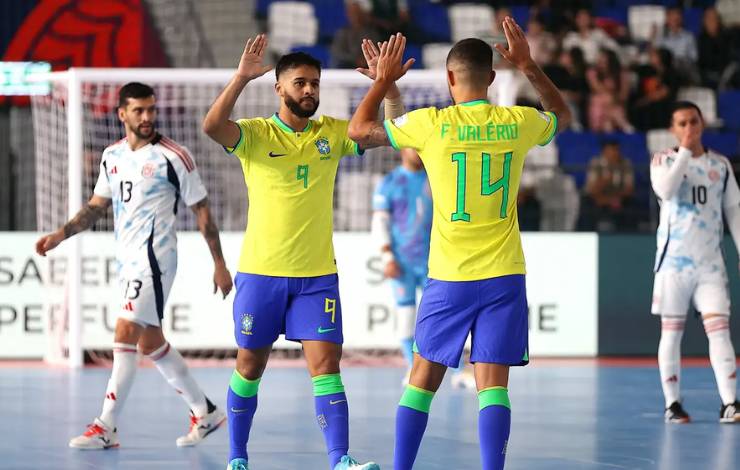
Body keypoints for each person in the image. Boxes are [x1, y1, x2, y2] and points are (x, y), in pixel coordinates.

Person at [349, 17, 571, 470]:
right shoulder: (517, 122)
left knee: (420, 383)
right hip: (503, 276)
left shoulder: (434, 125)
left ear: (449, 78)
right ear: (492, 78)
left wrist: (384, 83)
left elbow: (359, 131)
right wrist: (528, 66)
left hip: (449, 277)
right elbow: (562, 116)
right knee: (493, 388)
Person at [202, 35, 404, 470]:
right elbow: (212, 126)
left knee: (327, 367)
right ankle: (237, 456)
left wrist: (388, 86)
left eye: (314, 83)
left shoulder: (334, 131)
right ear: (279, 88)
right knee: (250, 365)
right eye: (300, 83)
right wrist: (240, 78)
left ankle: (340, 460)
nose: (309, 90)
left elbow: (395, 134)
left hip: (317, 278)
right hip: (261, 274)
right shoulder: (255, 134)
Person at [35, 82, 232, 450]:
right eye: (139, 111)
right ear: (122, 114)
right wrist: (60, 235)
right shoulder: (112, 156)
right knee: (150, 343)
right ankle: (204, 411)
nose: (147, 117)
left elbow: (202, 209)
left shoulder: (174, 156)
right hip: (127, 260)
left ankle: (106, 426)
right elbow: (96, 206)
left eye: (151, 110)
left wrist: (219, 264)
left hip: (155, 260)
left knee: (124, 332)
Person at [650, 101, 740, 424]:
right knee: (671, 333)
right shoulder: (664, 160)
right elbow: (666, 190)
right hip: (673, 264)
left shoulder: (721, 165)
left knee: (719, 331)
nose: (689, 129)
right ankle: (672, 404)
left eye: (694, 122)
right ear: (673, 129)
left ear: (702, 124)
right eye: (682, 124)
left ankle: (730, 402)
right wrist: (685, 153)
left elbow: (734, 212)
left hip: (710, 265)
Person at [371, 148, 475, 389]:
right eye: (411, 146)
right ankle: (412, 367)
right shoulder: (389, 183)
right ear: (401, 149)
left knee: (444, 319)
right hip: (403, 264)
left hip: (436, 262)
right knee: (406, 318)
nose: (416, 152)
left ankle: (459, 370)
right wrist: (387, 257)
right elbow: (380, 222)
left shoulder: (437, 178)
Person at [581, 140, 635, 231]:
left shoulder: (625, 164)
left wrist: (616, 198)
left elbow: (629, 188)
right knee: (587, 203)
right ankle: (586, 233)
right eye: (611, 151)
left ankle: (628, 236)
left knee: (631, 204)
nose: (615, 154)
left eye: (617, 150)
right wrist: (606, 180)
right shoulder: (595, 163)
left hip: (619, 198)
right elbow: (591, 189)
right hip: (598, 198)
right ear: (604, 152)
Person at [586, 48, 633, 133]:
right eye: (599, 61)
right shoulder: (592, 73)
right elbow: (598, 89)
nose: (600, 65)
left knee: (611, 119)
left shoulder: (621, 74)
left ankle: (625, 131)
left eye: (604, 62)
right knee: (600, 100)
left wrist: (613, 99)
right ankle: (625, 128)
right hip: (599, 106)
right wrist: (610, 95)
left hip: (616, 105)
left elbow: (624, 95)